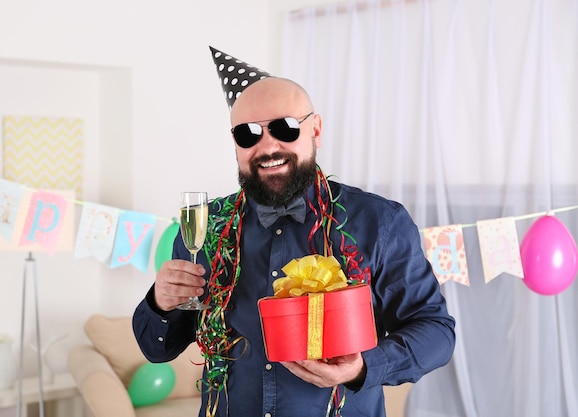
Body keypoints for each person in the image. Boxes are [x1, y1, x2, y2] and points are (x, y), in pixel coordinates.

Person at [133, 47, 456, 417]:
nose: (267, 146)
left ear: (315, 128)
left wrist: (364, 367)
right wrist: (161, 302)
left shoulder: (379, 221)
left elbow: (436, 332)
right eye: (247, 134)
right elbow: (156, 348)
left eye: (284, 128)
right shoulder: (208, 226)